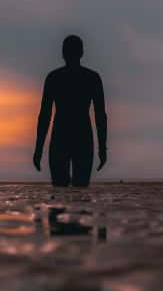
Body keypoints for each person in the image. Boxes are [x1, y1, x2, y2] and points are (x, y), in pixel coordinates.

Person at [33, 35, 107, 187]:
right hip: (82, 138)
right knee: (81, 193)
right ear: (82, 53)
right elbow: (100, 116)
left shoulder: (54, 78)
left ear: (62, 53)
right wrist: (102, 148)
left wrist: (39, 149)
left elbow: (45, 116)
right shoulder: (92, 78)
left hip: (61, 136)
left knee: (60, 194)